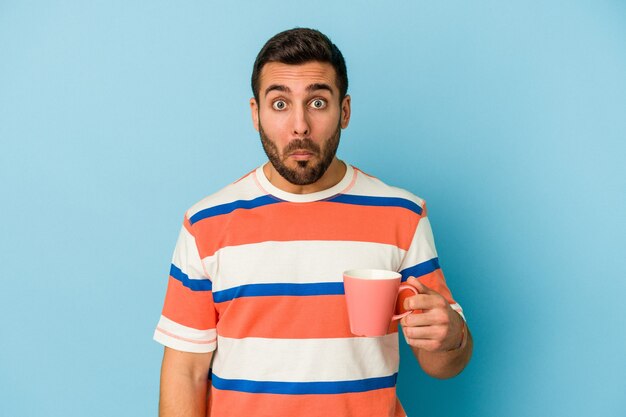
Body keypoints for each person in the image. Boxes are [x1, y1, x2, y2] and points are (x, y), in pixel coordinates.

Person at [154, 28, 473, 417]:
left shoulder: (402, 214)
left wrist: (452, 336)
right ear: (256, 114)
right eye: (280, 104)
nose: (300, 125)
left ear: (345, 111)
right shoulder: (206, 224)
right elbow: (185, 371)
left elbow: (441, 363)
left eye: (318, 102)